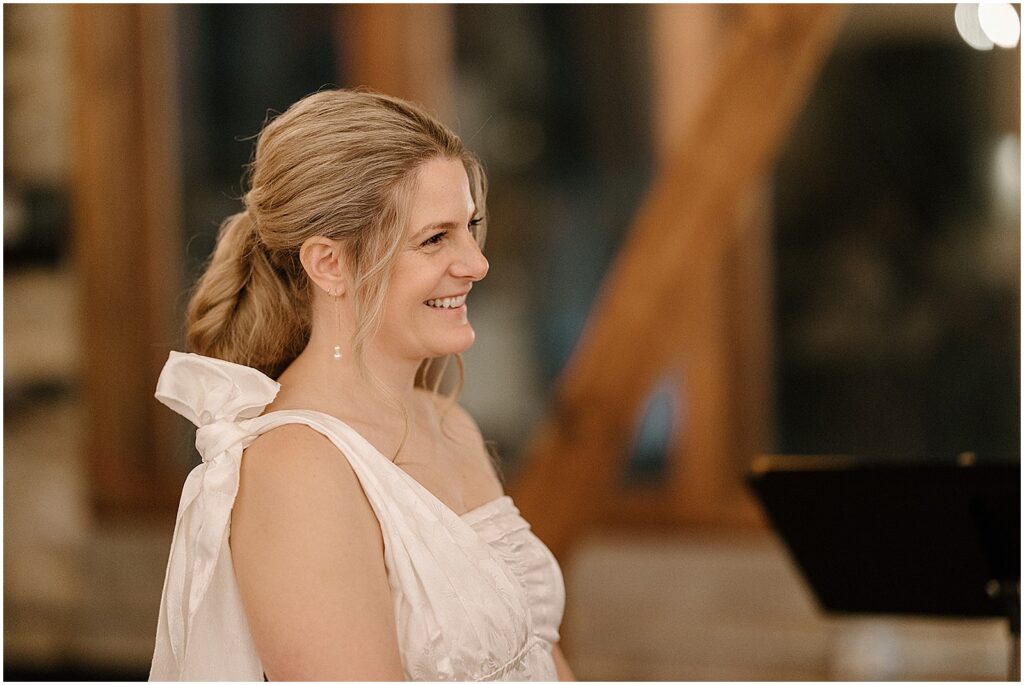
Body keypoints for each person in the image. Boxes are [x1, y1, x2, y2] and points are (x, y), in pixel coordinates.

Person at [149, 89, 574, 681]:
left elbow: (538, 652)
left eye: (470, 227)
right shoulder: (297, 469)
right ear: (330, 264)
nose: (477, 263)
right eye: (435, 238)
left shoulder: (449, 423)